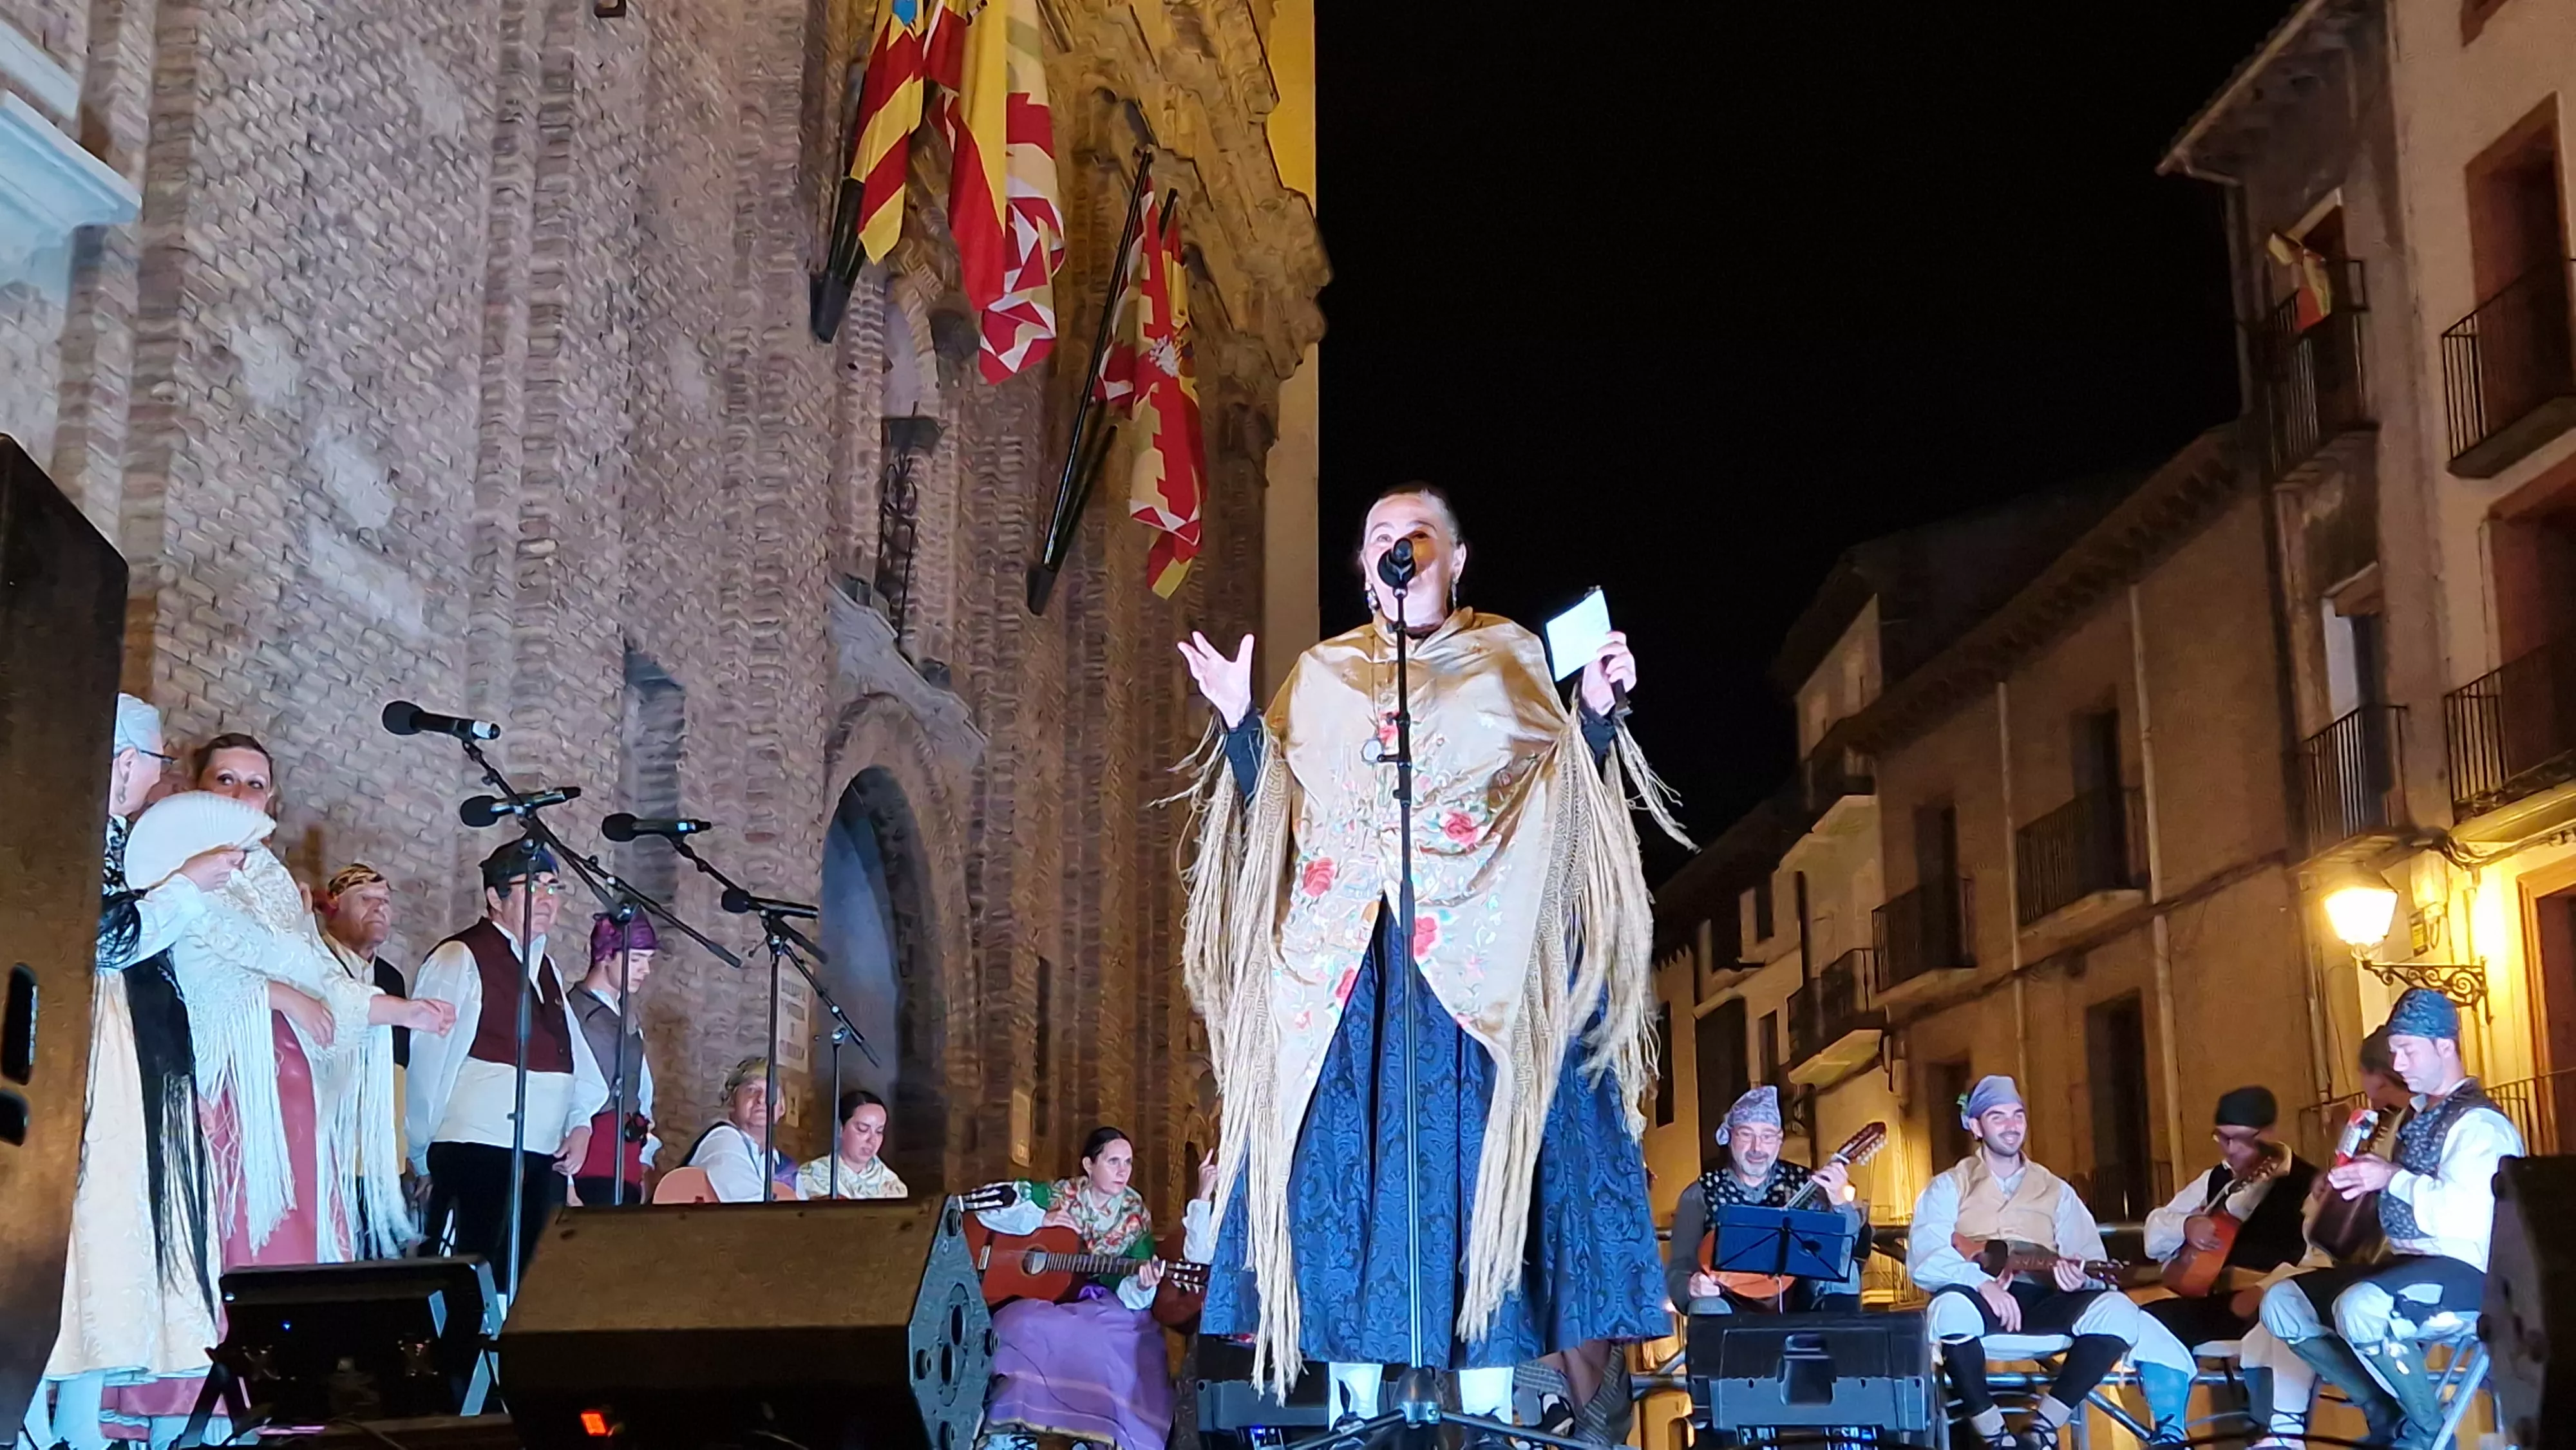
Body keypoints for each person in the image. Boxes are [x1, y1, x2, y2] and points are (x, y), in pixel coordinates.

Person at [1176, 485, 1683, 1415]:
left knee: (1477, 1182)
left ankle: (1489, 1409)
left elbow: (1559, 794)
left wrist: (1599, 716)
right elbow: (1278, 821)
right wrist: (1244, 726)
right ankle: (1355, 1413)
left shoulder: (1507, 658)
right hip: (1353, 977)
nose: (1396, 548)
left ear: (1455, 561)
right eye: (1378, 537)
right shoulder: (1324, 675)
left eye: (1418, 535)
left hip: (1475, 983)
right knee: (1351, 1183)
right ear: (1363, 568)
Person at [28, 697, 238, 1450]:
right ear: (123, 762)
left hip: (133, 1041)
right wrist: (186, 886)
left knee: (112, 1227)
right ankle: (26, 1417)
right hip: (83, 1040)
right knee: (73, 1224)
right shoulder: (63, 825)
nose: (161, 775)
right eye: (156, 760)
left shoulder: (123, 836)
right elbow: (104, 937)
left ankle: (77, 1420)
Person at [185, 735, 444, 1263]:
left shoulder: (273, 880)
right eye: (225, 779)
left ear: (270, 800)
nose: (240, 795)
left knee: (297, 1233)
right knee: (235, 1233)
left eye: (255, 785)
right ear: (199, 787)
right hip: (226, 1080)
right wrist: (278, 995)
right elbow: (183, 965)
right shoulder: (175, 862)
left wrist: (400, 1010)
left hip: (290, 1086)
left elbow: (320, 977)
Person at [2255, 989, 2521, 1449]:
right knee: (2283, 1302)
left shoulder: (2481, 1125)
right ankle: (2383, 1412)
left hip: (2470, 1269)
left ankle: (2428, 1433)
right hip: (2406, 1262)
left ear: (2445, 1047)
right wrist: (2346, 1188)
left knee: (2362, 1307)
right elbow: (2388, 1191)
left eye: (2408, 1050)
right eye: (2394, 1051)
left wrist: (2391, 1179)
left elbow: (2463, 1215)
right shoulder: (2415, 1117)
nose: (2398, 1063)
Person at [1908, 1075, 2172, 1450]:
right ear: (1975, 1125)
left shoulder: (2055, 1189)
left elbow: (2091, 1259)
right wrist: (1980, 1283)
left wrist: (2077, 1280)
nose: (2011, 1126)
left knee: (2119, 1311)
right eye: (1998, 1117)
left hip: (2043, 1300)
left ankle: (2045, 1428)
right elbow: (1926, 1254)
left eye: (2018, 1116)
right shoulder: (1950, 1185)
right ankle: (1995, 1434)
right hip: (1978, 1300)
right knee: (1949, 1309)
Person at [407, 839, 607, 1277]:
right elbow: (429, 1061)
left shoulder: (546, 969)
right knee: (467, 1280)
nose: (547, 899)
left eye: (554, 888)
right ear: (495, 898)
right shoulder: (460, 956)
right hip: (476, 1149)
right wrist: (422, 1152)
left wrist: (580, 1121)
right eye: (532, 886)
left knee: (526, 1286)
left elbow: (574, 1057)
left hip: (540, 1155)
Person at [968, 1127, 1209, 1450]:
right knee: (1019, 1322)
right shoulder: (1065, 1195)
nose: (1123, 1171)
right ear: (1088, 1165)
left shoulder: (1134, 1215)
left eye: (1127, 1163)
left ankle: (1097, 1435)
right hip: (1054, 1296)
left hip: (1109, 1300)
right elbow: (987, 1202)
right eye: (1113, 1162)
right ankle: (1013, 1430)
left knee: (1106, 1341)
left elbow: (1135, 1284)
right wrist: (1041, 1219)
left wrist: (1142, 1282)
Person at [2241, 1030, 2414, 1449]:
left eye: (2369, 1082)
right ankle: (2283, 1428)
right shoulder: (2390, 1123)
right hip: (2366, 1257)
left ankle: (2398, 1422)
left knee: (2291, 1300)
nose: (2369, 1096)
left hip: (2395, 1264)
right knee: (2279, 1307)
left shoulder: (2410, 1124)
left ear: (2379, 1076)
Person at [2132, 1086, 2319, 1436]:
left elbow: (2318, 1260)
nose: (2229, 1149)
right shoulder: (2216, 1179)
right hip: (2217, 1301)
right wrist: (2187, 1226)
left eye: (2239, 1139)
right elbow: (2154, 1237)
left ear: (2268, 1134)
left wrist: (2265, 1290)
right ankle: (2171, 1431)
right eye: (2222, 1137)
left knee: (2279, 1331)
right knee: (2150, 1320)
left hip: (2274, 1306)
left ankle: (2278, 1436)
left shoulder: (2309, 1184)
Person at [316, 862, 446, 1252]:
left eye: (385, 901)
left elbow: (398, 1070)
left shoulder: (390, 979)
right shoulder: (313, 961)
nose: (379, 909)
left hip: (378, 1160)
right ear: (334, 906)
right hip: (328, 1149)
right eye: (366, 899)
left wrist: (404, 1153)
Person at [1665, 1086, 1861, 1316]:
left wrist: (1839, 1202)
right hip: (1729, 1302)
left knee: (1846, 1270)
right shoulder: (1700, 1193)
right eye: (1746, 1135)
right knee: (1705, 1308)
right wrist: (1690, 1287)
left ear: (1779, 1140)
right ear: (1729, 1137)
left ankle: (1844, 1350)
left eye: (1767, 1136)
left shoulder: (1806, 1184)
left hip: (1797, 1297)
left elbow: (1844, 1245)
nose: (1757, 1148)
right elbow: (1679, 1267)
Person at [571, 912, 661, 1207]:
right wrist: (566, 1185)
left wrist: (642, 1161)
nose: (645, 970)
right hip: (587, 1168)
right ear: (606, 955)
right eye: (636, 959)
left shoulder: (628, 1021)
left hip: (626, 1167)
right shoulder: (572, 1012)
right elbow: (562, 1096)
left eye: (648, 960)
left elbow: (642, 1095)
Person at [686, 1057, 799, 1201]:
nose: (761, 1100)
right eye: (752, 1090)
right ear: (732, 1100)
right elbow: (750, 1205)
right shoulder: (722, 1140)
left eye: (771, 1092)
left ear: (782, 1108)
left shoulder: (784, 1165)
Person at [797, 1088, 909, 1200]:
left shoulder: (892, 1186)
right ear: (840, 1129)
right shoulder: (811, 1175)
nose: (872, 1140)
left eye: (879, 1132)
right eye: (863, 1129)